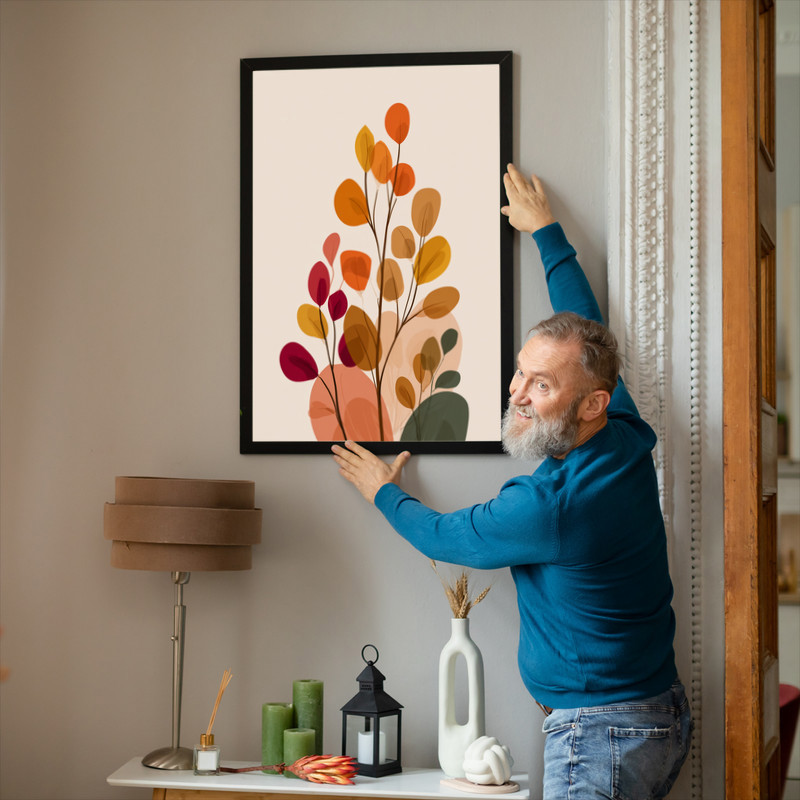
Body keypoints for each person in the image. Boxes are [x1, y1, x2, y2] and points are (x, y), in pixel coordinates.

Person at [332, 164, 692, 799]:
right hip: (652, 717)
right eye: (521, 373)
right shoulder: (625, 437)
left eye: (540, 386)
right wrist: (547, 232)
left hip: (601, 737)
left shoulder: (549, 506)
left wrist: (382, 491)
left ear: (590, 405)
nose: (517, 394)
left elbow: (448, 537)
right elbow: (584, 329)